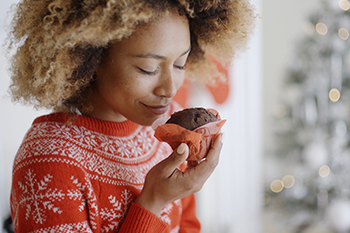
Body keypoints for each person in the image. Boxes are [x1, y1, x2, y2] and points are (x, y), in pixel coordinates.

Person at [8, 0, 255, 232]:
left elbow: (187, 224)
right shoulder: (48, 160)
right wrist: (153, 202)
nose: (170, 90)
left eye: (180, 63)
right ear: (90, 58)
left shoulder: (166, 128)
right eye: (148, 68)